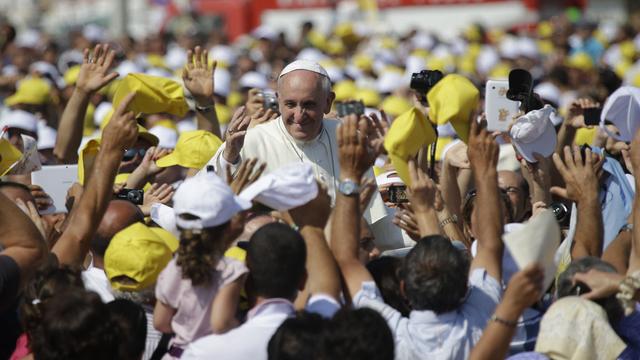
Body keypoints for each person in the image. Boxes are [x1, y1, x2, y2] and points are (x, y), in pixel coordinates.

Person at [331, 115, 504, 360]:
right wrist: (485, 170)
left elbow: (346, 261)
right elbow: (490, 244)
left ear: (404, 288)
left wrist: (349, 174)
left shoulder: (392, 335)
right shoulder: (481, 318)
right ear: (466, 284)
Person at [205, 59, 390, 231]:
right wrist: (229, 156)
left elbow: (370, 218)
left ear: (328, 102)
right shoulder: (249, 140)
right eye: (290, 104)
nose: (299, 116)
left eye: (309, 105)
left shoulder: (348, 137)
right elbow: (204, 195)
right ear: (278, 101)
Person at [182, 188, 342, 360]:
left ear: (246, 275)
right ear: (303, 279)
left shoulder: (204, 352)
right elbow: (327, 286)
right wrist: (308, 227)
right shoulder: (327, 330)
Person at [153, 171, 250, 358]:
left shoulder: (175, 266)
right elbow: (221, 324)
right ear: (228, 226)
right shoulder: (232, 270)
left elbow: (161, 322)